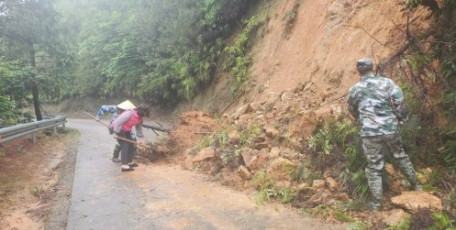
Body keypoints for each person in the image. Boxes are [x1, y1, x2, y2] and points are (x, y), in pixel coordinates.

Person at [347, 57, 422, 210]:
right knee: (400, 156)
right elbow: (399, 100)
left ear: (358, 71)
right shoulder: (387, 83)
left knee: (374, 166)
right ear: (373, 68)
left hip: (369, 133)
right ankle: (417, 185)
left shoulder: (355, 89)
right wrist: (402, 118)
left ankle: (376, 204)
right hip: (390, 129)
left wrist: (361, 120)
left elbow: (351, 109)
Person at [111, 104, 150, 172]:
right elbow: (118, 122)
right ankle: (124, 165)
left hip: (126, 130)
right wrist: (115, 133)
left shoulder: (140, 119)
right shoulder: (130, 113)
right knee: (125, 145)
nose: (145, 116)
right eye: (146, 113)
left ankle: (129, 162)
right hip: (118, 129)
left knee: (131, 144)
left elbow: (139, 129)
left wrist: (141, 139)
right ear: (142, 112)